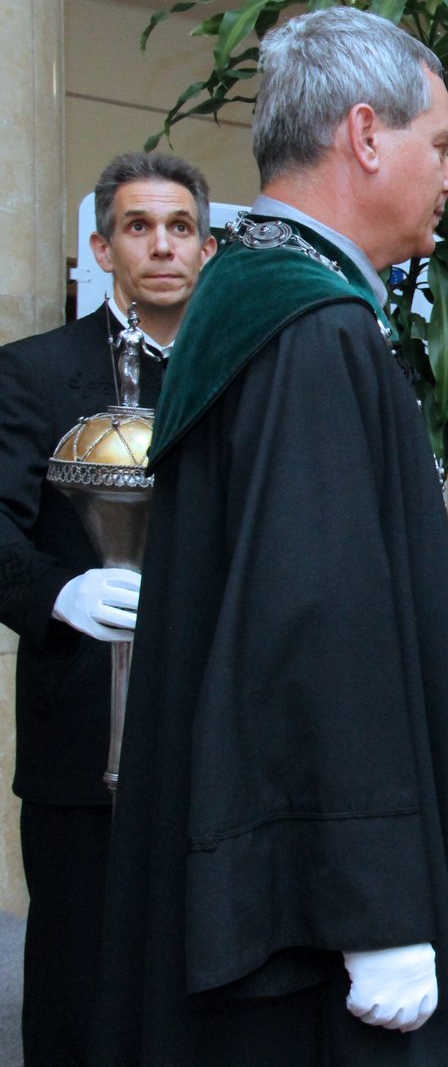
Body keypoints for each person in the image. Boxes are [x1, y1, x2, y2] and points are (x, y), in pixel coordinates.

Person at [92, 8, 448, 1065]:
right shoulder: (311, 331)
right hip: (323, 934)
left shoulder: (258, 299)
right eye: (443, 146)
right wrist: (375, 912)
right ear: (366, 135)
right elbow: (316, 624)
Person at [0, 149, 213, 1067]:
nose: (161, 246)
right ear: (102, 248)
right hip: (83, 738)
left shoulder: (236, 378)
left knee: (199, 986)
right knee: (78, 991)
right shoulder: (33, 372)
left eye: (180, 227)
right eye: (138, 226)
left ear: (206, 248)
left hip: (209, 738)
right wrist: (60, 592)